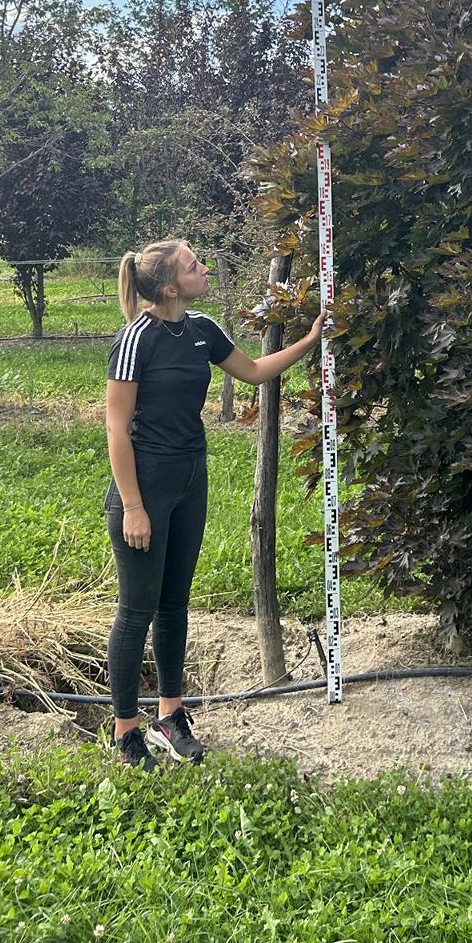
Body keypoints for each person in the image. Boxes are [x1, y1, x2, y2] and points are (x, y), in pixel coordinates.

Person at [105, 238, 324, 770]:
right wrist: (133, 505)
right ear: (168, 285)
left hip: (190, 479)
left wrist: (311, 340)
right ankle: (126, 730)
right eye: (194, 265)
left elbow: (252, 371)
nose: (204, 269)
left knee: (174, 603)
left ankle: (171, 715)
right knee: (137, 609)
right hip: (146, 486)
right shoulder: (136, 339)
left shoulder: (201, 329)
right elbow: (115, 426)